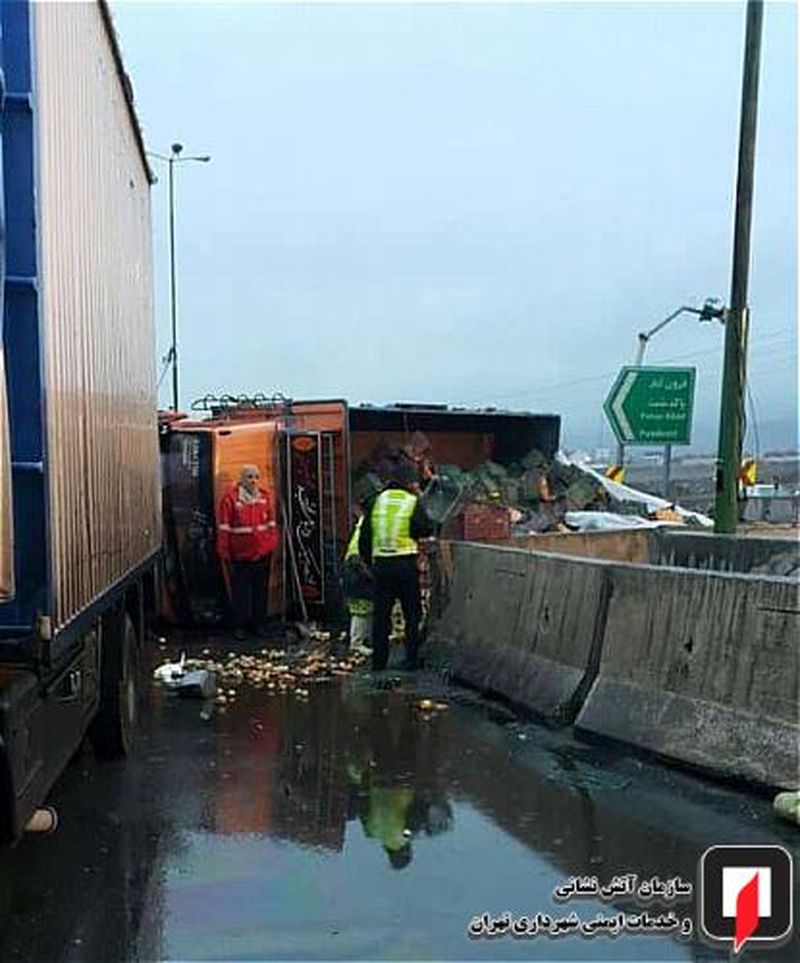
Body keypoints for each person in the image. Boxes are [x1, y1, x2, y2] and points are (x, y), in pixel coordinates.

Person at [359, 464, 434, 670]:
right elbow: (426, 527)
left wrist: (370, 563)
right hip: (405, 566)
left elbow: (364, 538)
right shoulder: (411, 502)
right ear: (410, 483)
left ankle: (379, 662)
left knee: (381, 616)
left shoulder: (376, 502)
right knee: (412, 614)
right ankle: (410, 660)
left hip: (382, 566)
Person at [216, 464, 278, 640]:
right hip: (240, 556)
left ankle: (259, 624)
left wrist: (271, 545)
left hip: (262, 554)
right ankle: (240, 626)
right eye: (250, 477)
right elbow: (224, 528)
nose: (254, 481)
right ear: (242, 479)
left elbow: (271, 524)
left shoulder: (265, 497)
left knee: (260, 592)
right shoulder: (230, 499)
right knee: (240, 593)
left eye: (256, 477)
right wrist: (225, 553)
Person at [342, 507, 373, 656]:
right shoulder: (367, 529)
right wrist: (370, 574)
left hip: (354, 571)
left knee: (365, 607)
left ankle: (362, 638)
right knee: (360, 609)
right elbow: (356, 557)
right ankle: (357, 643)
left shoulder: (362, 525)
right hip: (357, 573)